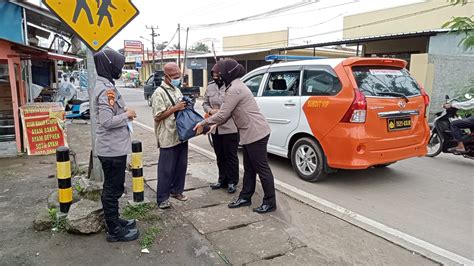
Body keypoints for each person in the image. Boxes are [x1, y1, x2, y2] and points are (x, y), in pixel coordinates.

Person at [194, 59, 277, 214]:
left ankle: (270, 202)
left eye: (221, 72)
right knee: (249, 168)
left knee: (262, 168)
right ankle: (245, 196)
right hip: (250, 132)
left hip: (255, 132)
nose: (219, 75)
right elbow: (226, 115)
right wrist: (211, 124)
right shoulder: (234, 86)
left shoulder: (235, 89)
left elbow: (223, 114)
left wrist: (203, 123)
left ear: (228, 73)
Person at [93, 49, 139, 242]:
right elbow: (106, 121)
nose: (120, 69)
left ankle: (115, 220)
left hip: (114, 148)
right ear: (109, 66)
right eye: (118, 66)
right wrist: (127, 115)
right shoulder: (106, 90)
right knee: (112, 190)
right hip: (112, 150)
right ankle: (114, 231)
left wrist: (124, 110)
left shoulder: (106, 86)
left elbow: (110, 113)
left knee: (115, 187)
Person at [151, 62, 189, 209]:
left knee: (181, 165)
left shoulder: (176, 89)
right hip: (167, 135)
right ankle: (162, 198)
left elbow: (181, 107)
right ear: (166, 76)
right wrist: (175, 108)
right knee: (166, 169)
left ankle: (177, 191)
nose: (177, 78)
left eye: (178, 76)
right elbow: (157, 116)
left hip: (180, 133)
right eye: (174, 76)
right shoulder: (159, 93)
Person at [203, 70, 239, 194]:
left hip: (230, 127)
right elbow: (205, 103)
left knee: (231, 156)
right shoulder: (210, 86)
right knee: (219, 155)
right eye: (214, 75)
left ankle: (232, 181)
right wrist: (211, 111)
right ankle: (222, 179)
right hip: (215, 128)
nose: (216, 77)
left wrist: (222, 112)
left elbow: (233, 107)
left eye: (218, 75)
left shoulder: (231, 87)